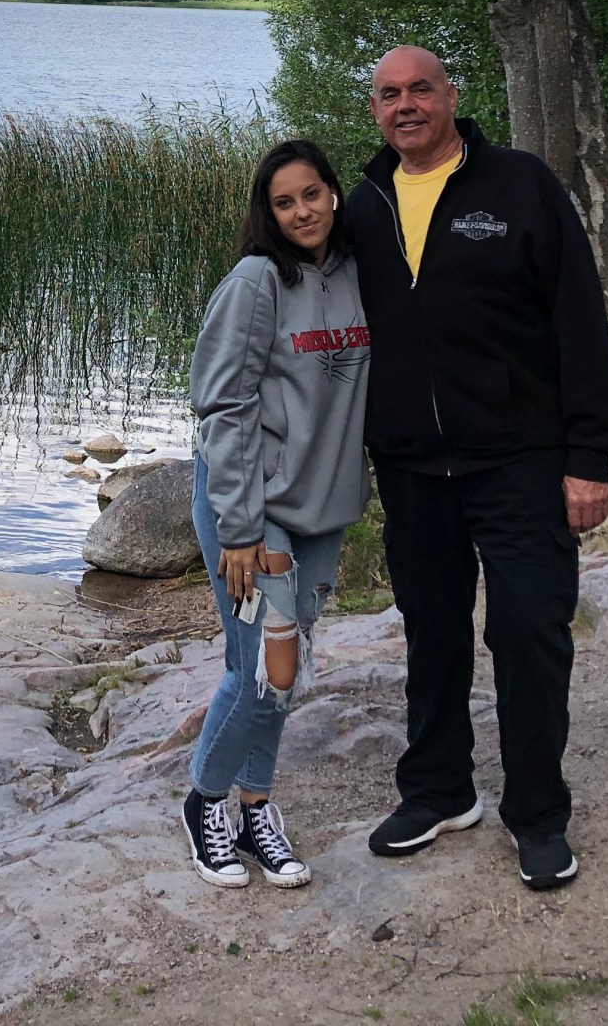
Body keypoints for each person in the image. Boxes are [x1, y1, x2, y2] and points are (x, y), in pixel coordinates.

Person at [348, 46, 608, 890]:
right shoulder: (363, 203)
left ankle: (537, 814)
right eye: (389, 95)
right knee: (432, 634)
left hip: (521, 461)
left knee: (529, 634)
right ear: (375, 112)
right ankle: (438, 789)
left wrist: (588, 457)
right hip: (412, 468)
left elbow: (579, 318)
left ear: (451, 98)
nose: (406, 106)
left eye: (420, 89)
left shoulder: (520, 185)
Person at [180, 139, 373, 890]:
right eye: (284, 201)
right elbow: (223, 402)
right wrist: (238, 526)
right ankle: (205, 804)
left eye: (313, 195)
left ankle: (256, 807)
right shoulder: (256, 282)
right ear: (268, 211)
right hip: (254, 507)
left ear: (333, 195)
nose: (302, 211)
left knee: (283, 680)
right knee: (263, 665)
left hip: (324, 504)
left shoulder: (359, 274)